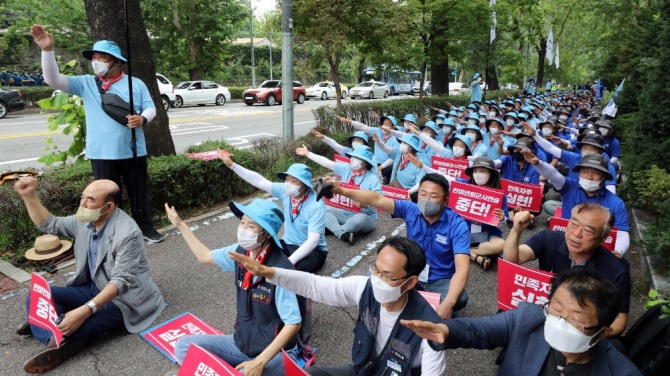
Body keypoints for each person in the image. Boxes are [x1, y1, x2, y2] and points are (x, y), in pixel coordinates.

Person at [228, 236, 447, 375]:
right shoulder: (364, 287)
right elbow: (316, 286)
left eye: (388, 276)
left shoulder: (430, 329)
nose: (378, 279)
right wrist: (269, 272)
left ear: (411, 282)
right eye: (376, 270)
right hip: (364, 370)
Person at [14, 176, 165, 373]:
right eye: (82, 197)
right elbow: (50, 224)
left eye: (90, 200)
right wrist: (29, 196)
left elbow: (120, 282)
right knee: (37, 295)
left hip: (122, 299)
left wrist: (83, 311)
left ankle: (50, 327)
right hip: (91, 287)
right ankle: (56, 331)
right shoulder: (85, 220)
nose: (82, 203)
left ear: (108, 207)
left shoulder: (127, 233)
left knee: (85, 325)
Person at [30, 25, 166, 243]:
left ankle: (146, 229)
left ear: (116, 61)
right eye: (94, 57)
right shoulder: (85, 83)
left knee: (138, 193)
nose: (96, 62)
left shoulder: (135, 83)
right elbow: (52, 79)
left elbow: (151, 107)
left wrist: (142, 118)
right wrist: (47, 50)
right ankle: (113, 235)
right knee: (107, 199)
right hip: (101, 153)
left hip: (133, 151)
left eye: (101, 57)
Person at [401, 268, 642, 376]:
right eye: (556, 310)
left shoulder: (622, 372)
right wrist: (444, 330)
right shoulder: (529, 319)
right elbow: (481, 329)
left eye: (576, 320)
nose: (560, 322)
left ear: (602, 332)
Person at [166, 199, 302, 376]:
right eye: (242, 222)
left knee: (248, 372)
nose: (243, 229)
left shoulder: (280, 270)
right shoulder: (240, 252)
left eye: (251, 226)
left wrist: (259, 362)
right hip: (240, 344)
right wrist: (181, 225)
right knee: (184, 346)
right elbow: (205, 256)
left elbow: (293, 323)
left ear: (266, 234)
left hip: (273, 353)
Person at [323, 173, 470, 319]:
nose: (426, 200)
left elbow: (462, 270)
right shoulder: (410, 209)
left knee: (460, 298)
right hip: (412, 273)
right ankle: (413, 304)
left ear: (445, 200)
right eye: (423, 194)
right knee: (375, 277)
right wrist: (342, 191)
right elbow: (377, 199)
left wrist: (449, 303)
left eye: (433, 196)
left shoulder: (457, 225)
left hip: (440, 281)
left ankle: (411, 304)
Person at [503, 203, 631, 336]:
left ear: (602, 238)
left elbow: (620, 320)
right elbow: (512, 259)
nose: (576, 234)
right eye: (574, 224)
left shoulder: (617, 270)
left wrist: (588, 337)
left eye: (588, 231)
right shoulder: (548, 238)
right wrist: (516, 230)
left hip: (577, 332)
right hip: (544, 314)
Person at [219, 153, 328, 273]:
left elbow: (313, 241)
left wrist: (289, 262)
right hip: (288, 243)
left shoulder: (315, 205)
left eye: (294, 181)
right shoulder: (285, 191)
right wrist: (233, 165)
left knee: (290, 274)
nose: (288, 184)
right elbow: (259, 181)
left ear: (304, 185)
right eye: (287, 179)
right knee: (261, 249)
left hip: (314, 251)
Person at [523, 149, 631, 257]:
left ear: (604, 177)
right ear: (579, 173)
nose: (589, 177)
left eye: (596, 173)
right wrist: (538, 163)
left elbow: (622, 233)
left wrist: (618, 251)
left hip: (595, 252)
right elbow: (553, 175)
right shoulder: (569, 187)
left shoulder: (616, 203)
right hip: (565, 244)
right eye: (585, 171)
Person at [296, 144, 382, 245]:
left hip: (365, 217)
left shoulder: (372, 179)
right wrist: (308, 153)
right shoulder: (347, 169)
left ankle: (333, 229)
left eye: (357, 158)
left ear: (365, 163)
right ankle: (342, 233)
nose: (352, 159)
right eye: (353, 156)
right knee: (321, 208)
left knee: (359, 219)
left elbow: (379, 202)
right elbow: (327, 163)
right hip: (344, 213)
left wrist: (364, 205)